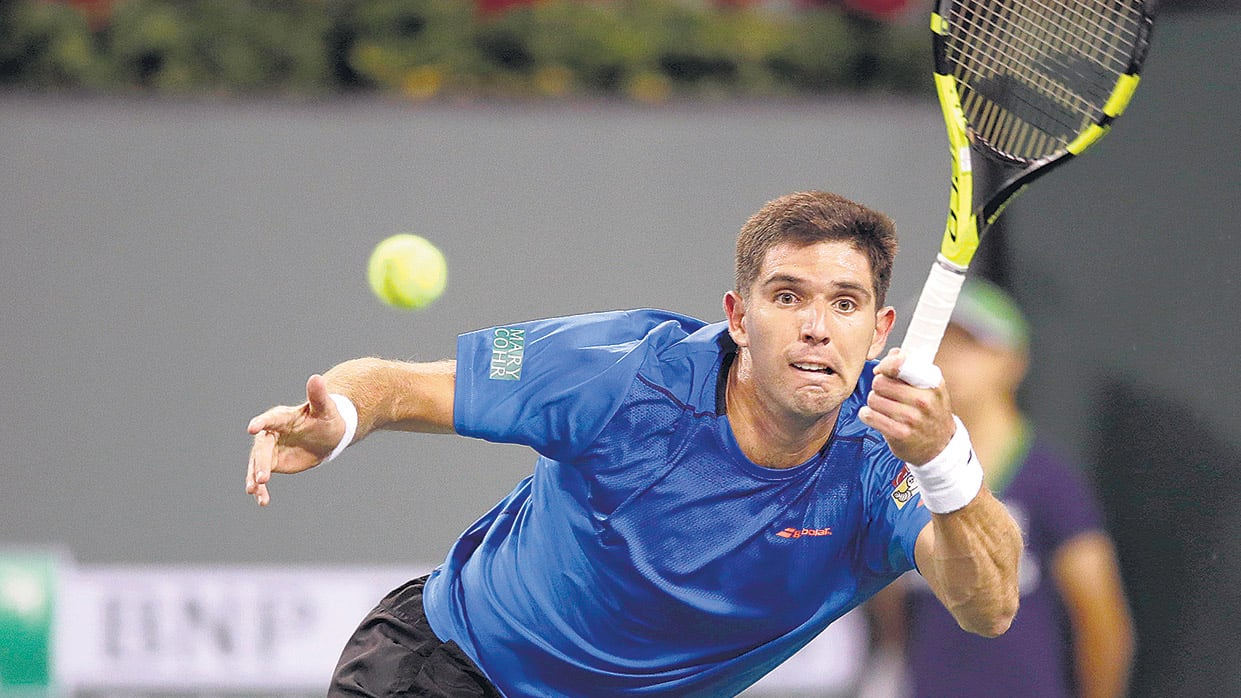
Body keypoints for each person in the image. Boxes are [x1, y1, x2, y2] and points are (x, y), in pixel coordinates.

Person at [245, 191, 1022, 697]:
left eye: (845, 303)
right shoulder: (622, 375)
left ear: (878, 331)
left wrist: (941, 456)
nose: (816, 326)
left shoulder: (891, 454)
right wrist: (342, 416)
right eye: (787, 296)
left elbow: (989, 606)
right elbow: (394, 383)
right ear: (740, 317)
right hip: (453, 673)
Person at [864, 279, 1136, 698]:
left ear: (1014, 361)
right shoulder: (897, 475)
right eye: (941, 342)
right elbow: (890, 608)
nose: (949, 359)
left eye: (971, 344)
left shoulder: (1049, 479)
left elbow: (1102, 623)